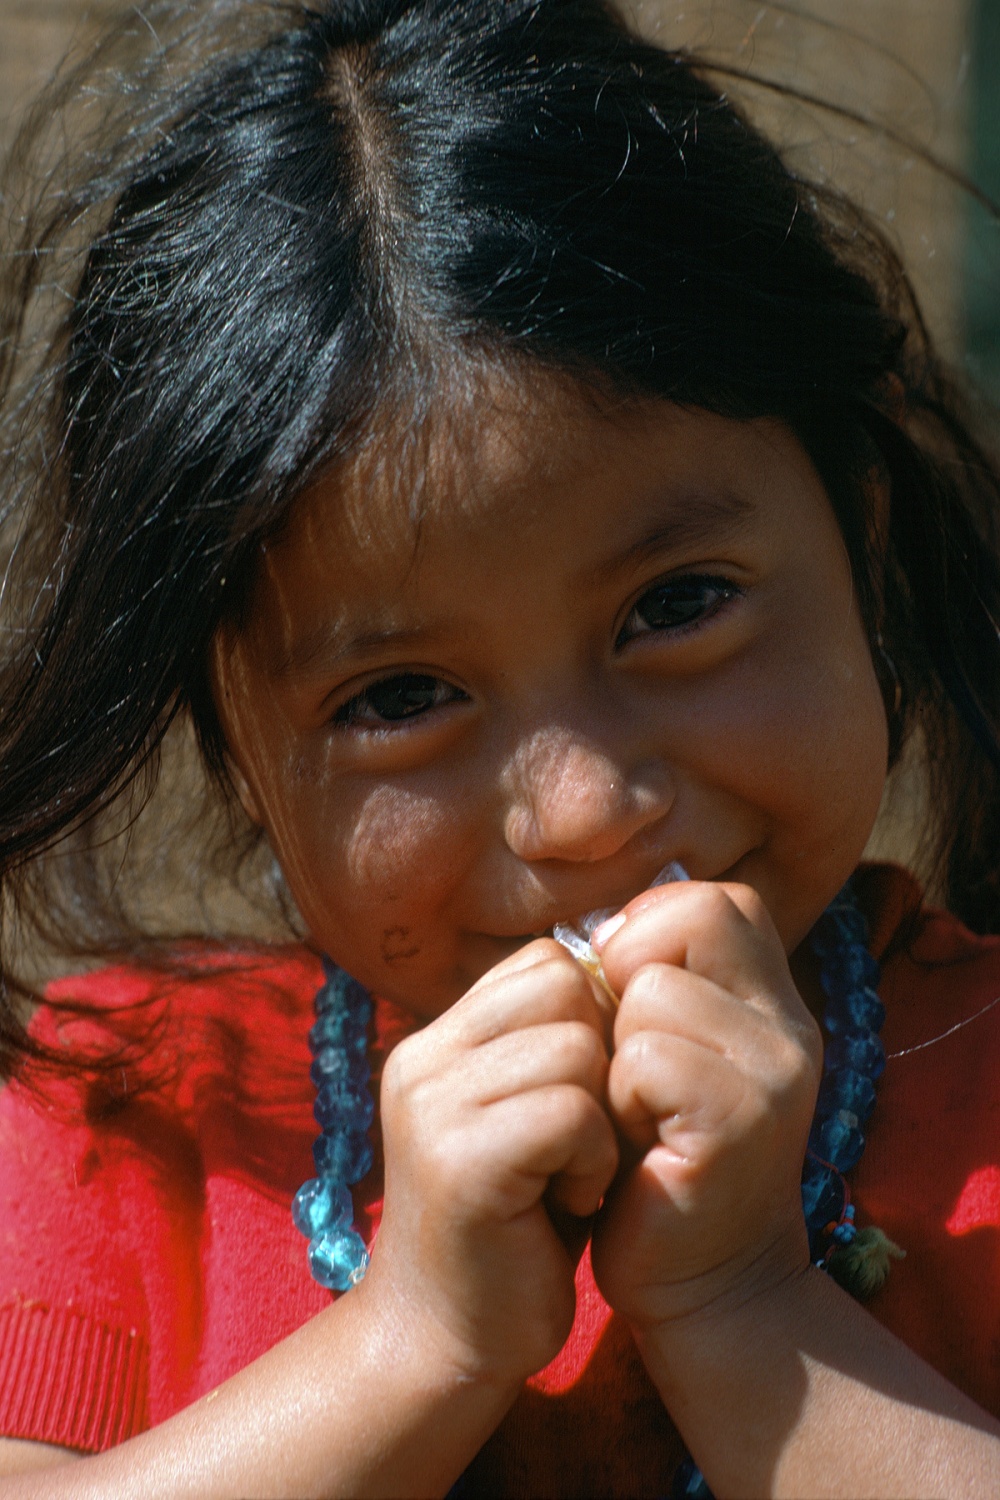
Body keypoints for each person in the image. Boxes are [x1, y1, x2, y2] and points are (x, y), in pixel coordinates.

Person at [0, 0, 999, 1494]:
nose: (586, 811)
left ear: (857, 532)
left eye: (679, 606)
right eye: (400, 696)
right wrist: (412, 1341)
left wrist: (745, 1307)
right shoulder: (121, 1123)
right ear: (236, 747)